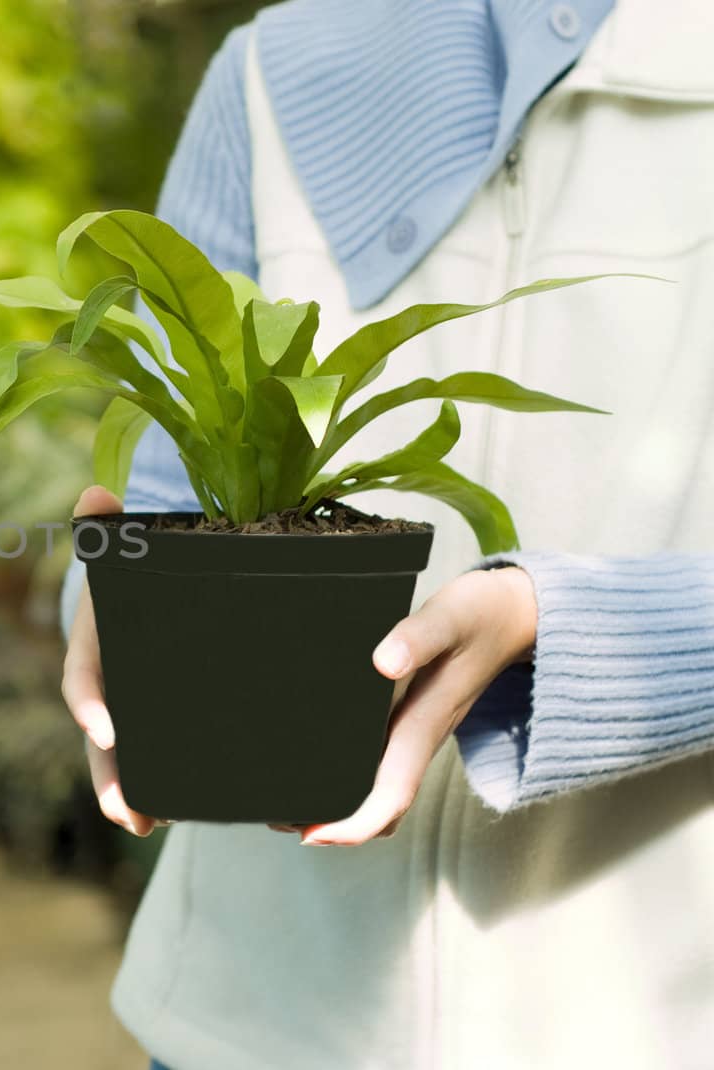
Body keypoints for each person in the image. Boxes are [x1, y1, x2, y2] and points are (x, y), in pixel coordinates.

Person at [57, 1, 714, 1066]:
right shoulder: (277, 69)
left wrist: (583, 635)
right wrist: (117, 611)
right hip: (243, 1021)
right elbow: (168, 480)